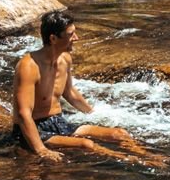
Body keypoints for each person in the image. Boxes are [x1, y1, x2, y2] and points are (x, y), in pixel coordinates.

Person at [12, 10, 151, 163]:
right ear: (53, 38)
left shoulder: (65, 59)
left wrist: (92, 113)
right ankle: (135, 162)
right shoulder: (28, 66)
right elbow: (23, 114)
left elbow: (69, 92)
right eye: (71, 34)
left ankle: (153, 157)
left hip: (58, 122)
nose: (76, 38)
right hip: (34, 130)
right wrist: (41, 150)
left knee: (119, 133)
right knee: (87, 144)